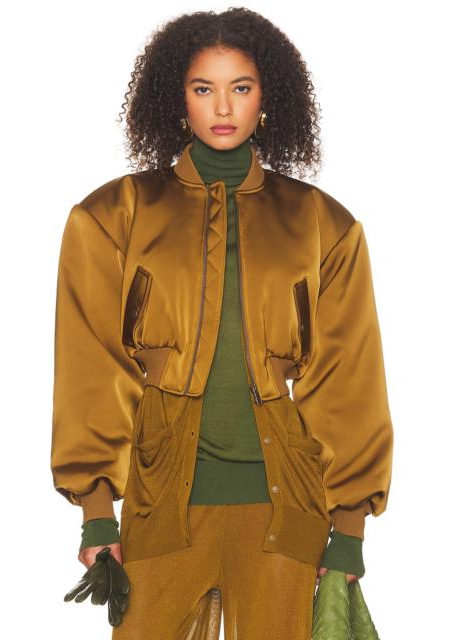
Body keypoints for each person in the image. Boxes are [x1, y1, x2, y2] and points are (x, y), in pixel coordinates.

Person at [50, 7, 394, 639]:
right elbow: (90, 368)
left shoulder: (324, 223)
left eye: (241, 87)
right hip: (160, 506)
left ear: (268, 97)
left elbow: (349, 380)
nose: (224, 107)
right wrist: (96, 511)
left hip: (284, 513)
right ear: (177, 100)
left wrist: (348, 528)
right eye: (203, 88)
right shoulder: (113, 215)